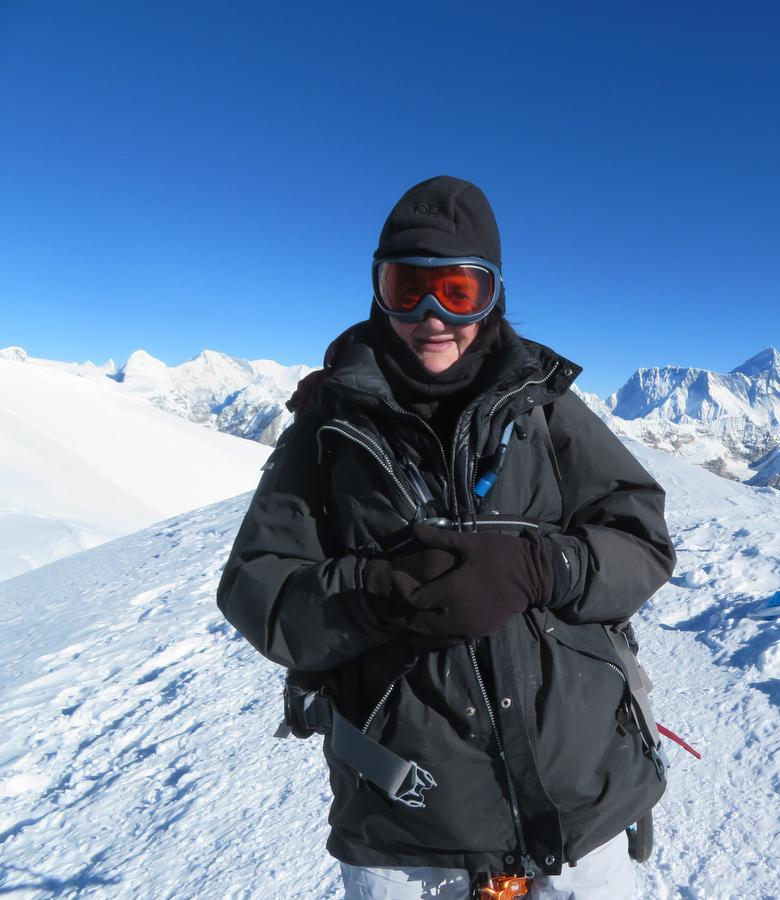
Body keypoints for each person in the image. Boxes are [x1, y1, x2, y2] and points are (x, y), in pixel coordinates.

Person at [216, 175, 675, 898]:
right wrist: (378, 593)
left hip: (579, 799)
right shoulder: (330, 427)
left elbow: (640, 537)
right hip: (405, 822)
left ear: (492, 296)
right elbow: (257, 587)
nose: (431, 317)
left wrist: (543, 566)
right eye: (407, 288)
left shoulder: (544, 409)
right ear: (379, 292)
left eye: (458, 291)